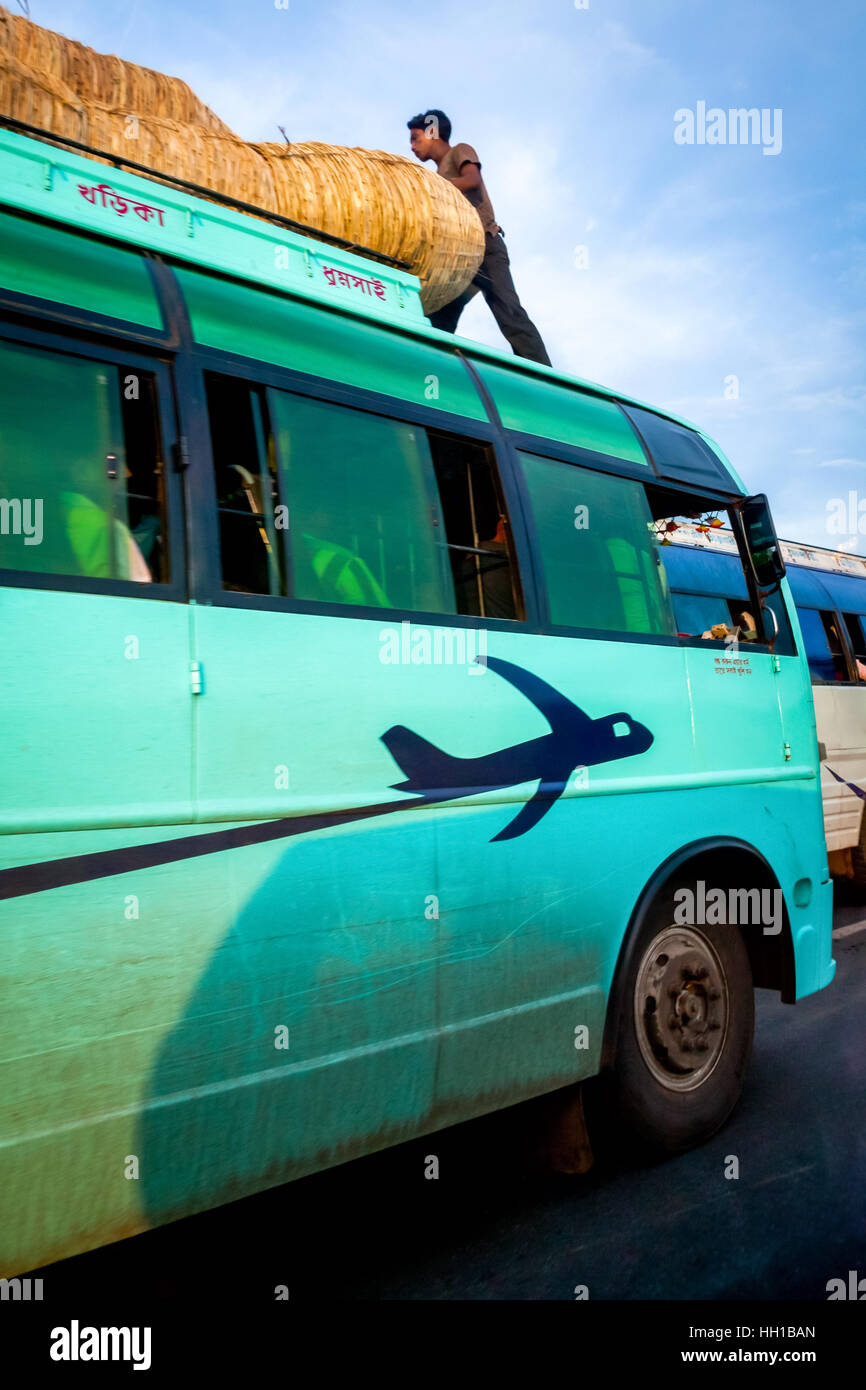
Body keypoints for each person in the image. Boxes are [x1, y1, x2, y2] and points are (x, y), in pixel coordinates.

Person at [407, 109, 552, 366]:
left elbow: (472, 180)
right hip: (459, 256)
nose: (412, 146)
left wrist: (434, 189)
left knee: (509, 313)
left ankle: (544, 376)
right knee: (440, 318)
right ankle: (429, 373)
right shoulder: (436, 177)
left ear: (432, 132)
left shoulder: (460, 151)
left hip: (486, 246)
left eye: (416, 138)